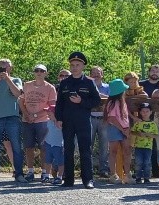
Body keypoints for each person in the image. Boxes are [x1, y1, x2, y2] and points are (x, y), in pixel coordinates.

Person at [55, 51, 102, 188]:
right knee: (68, 150)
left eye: (77, 65)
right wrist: (59, 119)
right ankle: (68, 180)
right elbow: (59, 103)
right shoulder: (65, 83)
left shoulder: (89, 82)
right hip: (67, 121)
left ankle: (88, 180)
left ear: (83, 66)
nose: (74, 67)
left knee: (85, 150)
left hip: (83, 121)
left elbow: (96, 100)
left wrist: (81, 101)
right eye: (72, 65)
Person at [0, 58, 26, 183]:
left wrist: (7, 79)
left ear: (10, 68)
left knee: (16, 147)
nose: (2, 69)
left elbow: (18, 93)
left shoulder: (16, 80)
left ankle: (19, 174)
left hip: (12, 117)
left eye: (5, 67)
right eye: (0, 67)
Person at [18, 63, 56, 182]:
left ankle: (45, 172)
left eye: (42, 71)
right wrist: (26, 114)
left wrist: (35, 115)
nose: (39, 73)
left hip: (43, 121)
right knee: (28, 147)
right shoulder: (27, 85)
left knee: (44, 147)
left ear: (46, 73)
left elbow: (52, 106)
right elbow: (21, 101)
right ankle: (30, 171)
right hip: (27, 120)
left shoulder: (50, 88)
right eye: (37, 70)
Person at [103, 78, 131, 185]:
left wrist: (126, 128)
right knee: (113, 151)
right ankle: (113, 174)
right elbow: (111, 119)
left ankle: (127, 174)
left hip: (124, 128)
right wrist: (122, 129)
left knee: (127, 151)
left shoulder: (122, 102)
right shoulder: (112, 103)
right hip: (115, 128)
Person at [139, 64, 159, 179]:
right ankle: (140, 172)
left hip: (157, 119)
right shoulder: (141, 84)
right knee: (140, 145)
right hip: (142, 119)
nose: (155, 73)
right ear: (149, 72)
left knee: (155, 146)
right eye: (153, 71)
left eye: (157, 71)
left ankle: (156, 172)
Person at [88, 66, 111, 177]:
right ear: (90, 75)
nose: (96, 75)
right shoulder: (87, 86)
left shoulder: (108, 87)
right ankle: (88, 169)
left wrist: (97, 96)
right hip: (90, 118)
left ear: (102, 75)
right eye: (94, 73)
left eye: (98, 73)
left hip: (104, 119)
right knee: (88, 145)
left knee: (104, 146)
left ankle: (103, 169)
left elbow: (111, 99)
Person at [130, 103, 158, 184]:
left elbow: (156, 135)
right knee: (138, 162)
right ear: (140, 112)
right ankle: (138, 177)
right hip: (138, 146)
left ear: (151, 112)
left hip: (148, 147)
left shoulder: (153, 124)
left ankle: (146, 177)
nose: (145, 113)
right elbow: (132, 132)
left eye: (147, 111)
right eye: (143, 111)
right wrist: (139, 134)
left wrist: (147, 134)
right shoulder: (138, 122)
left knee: (147, 162)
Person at [43, 106, 64, 185]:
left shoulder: (60, 123)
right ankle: (46, 175)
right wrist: (44, 140)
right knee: (48, 161)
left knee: (60, 161)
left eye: (50, 113)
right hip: (49, 144)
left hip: (58, 145)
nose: (48, 114)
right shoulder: (48, 122)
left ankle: (60, 176)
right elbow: (47, 131)